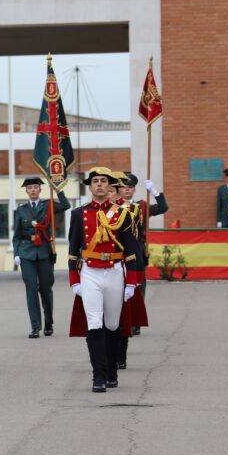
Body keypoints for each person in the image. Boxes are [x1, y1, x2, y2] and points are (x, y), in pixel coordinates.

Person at [68, 167, 143, 393]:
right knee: (94, 323)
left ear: (110, 186)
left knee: (112, 324)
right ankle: (98, 376)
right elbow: (73, 249)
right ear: (90, 187)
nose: (99, 184)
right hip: (90, 271)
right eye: (95, 181)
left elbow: (132, 250)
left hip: (114, 270)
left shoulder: (123, 214)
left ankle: (112, 371)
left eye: (103, 181)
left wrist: (132, 281)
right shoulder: (78, 214)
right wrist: (74, 279)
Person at [117, 171, 167, 365]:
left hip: (137, 250)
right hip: (118, 251)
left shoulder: (141, 206)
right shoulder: (114, 206)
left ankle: (136, 321)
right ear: (119, 189)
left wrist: (154, 191)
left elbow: (163, 207)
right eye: (124, 187)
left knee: (138, 286)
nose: (127, 190)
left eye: (131, 187)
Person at [12, 176, 69, 338]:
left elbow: (66, 205)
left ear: (40, 189)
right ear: (26, 191)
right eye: (30, 188)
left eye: (35, 187)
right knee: (31, 290)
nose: (33, 190)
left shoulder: (48, 205)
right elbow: (16, 236)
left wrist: (57, 189)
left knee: (45, 289)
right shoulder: (21, 210)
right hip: (27, 253)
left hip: (44, 251)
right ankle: (35, 326)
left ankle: (49, 321)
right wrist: (16, 254)